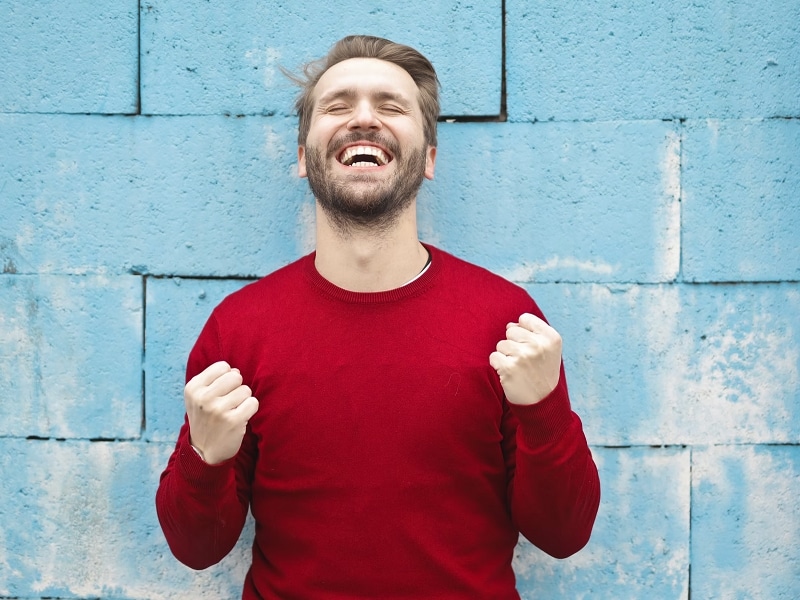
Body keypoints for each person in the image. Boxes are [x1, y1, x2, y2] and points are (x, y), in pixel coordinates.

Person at [156, 35, 600, 599]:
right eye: (338, 105)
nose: (364, 118)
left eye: (391, 106)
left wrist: (544, 411)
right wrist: (204, 457)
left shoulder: (506, 323)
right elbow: (196, 549)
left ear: (430, 159)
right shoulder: (240, 329)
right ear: (302, 158)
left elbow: (564, 534)